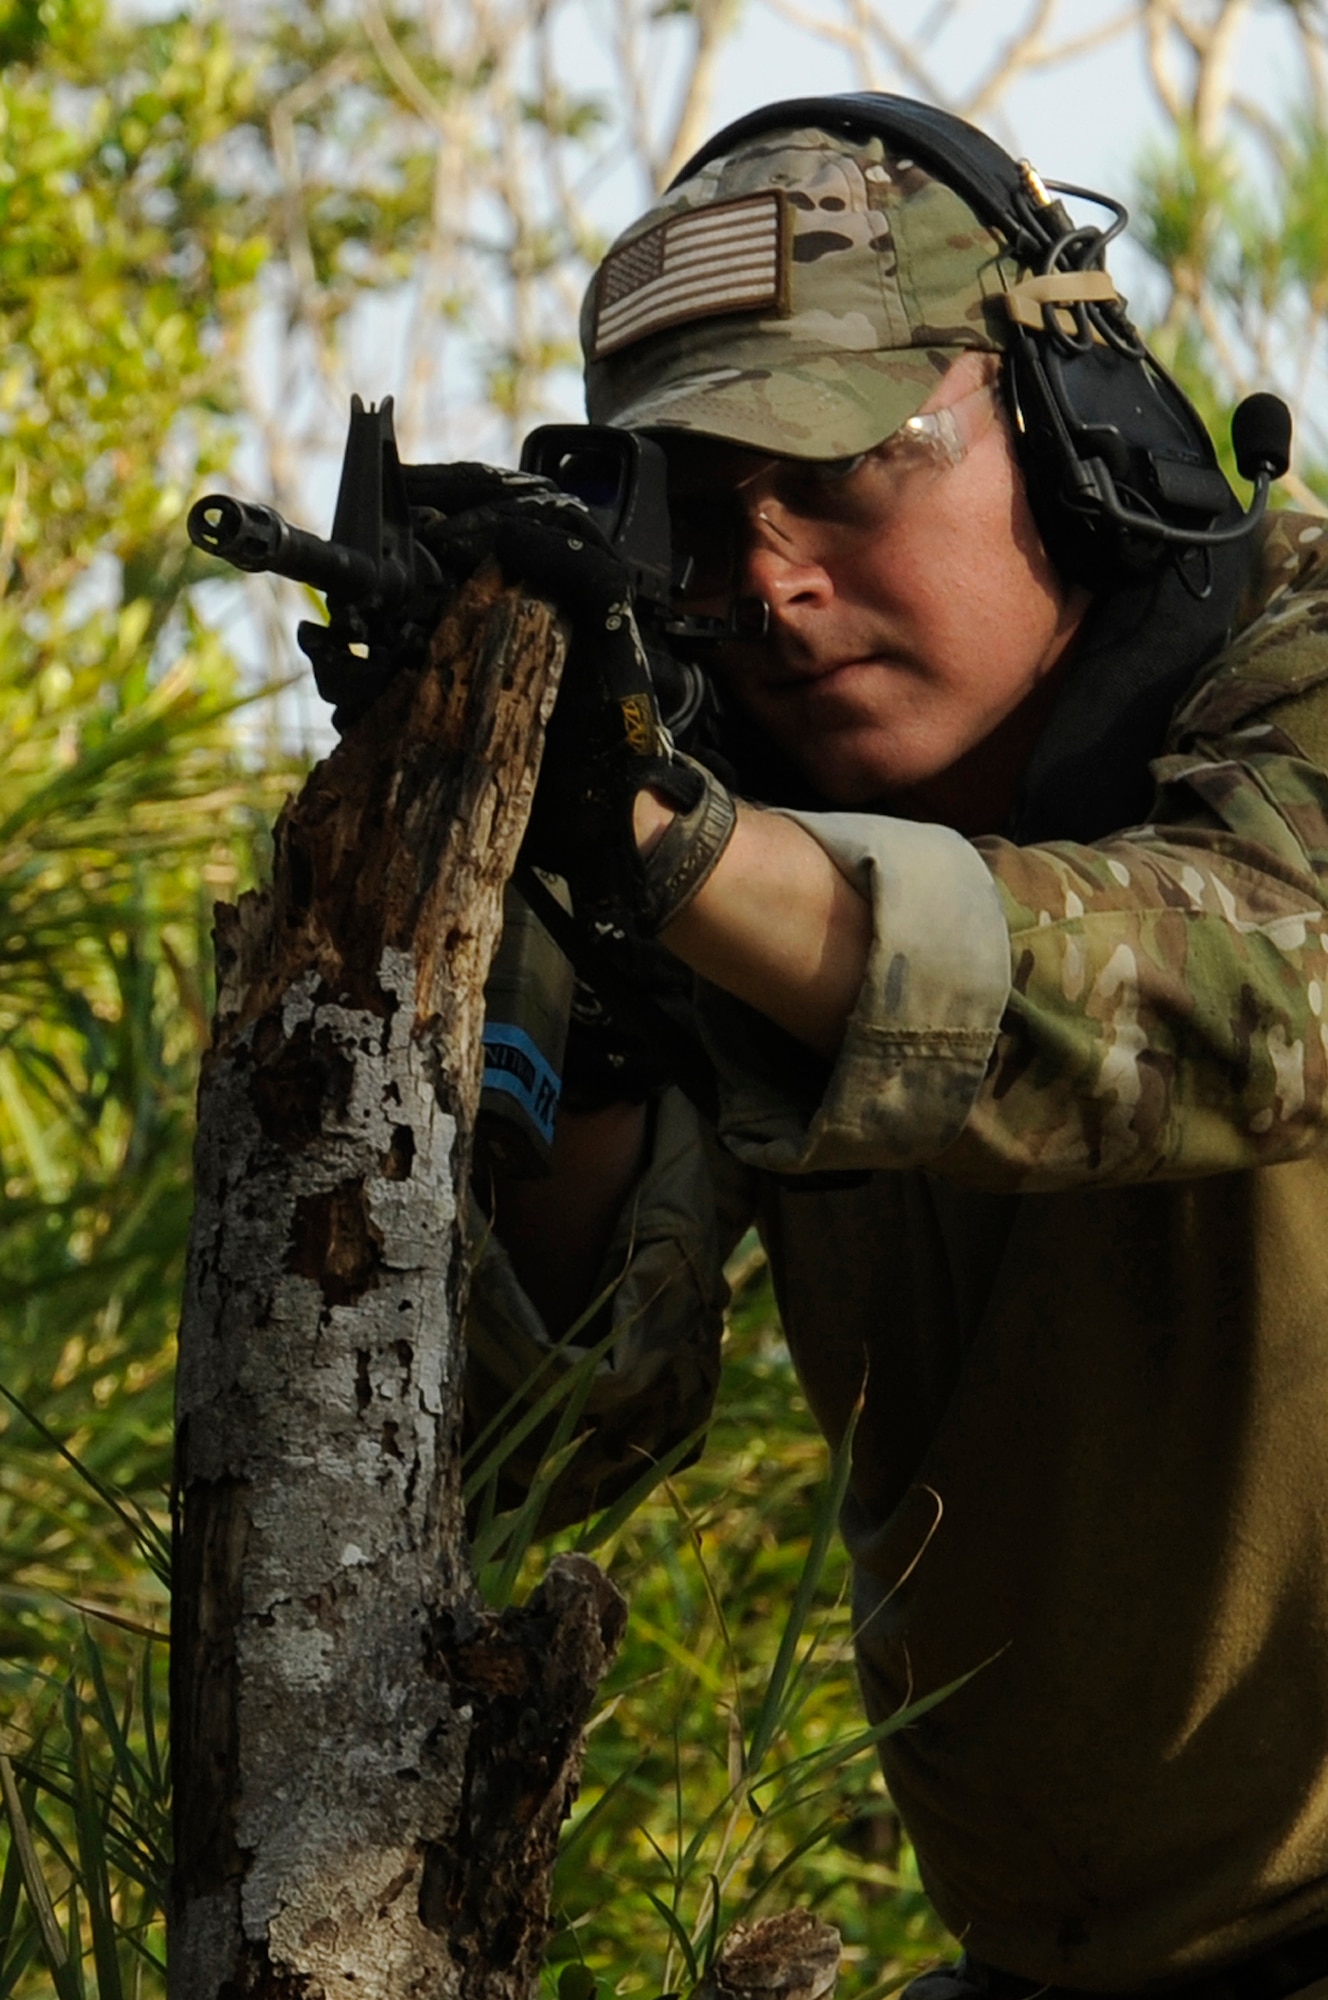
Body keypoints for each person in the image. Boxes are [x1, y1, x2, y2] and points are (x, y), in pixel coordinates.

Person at [455, 93, 1328, 1997]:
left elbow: (1252, 1001)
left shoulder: (1302, 663)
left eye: (841, 470)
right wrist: (548, 941)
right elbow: (549, 1446)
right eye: (700, 515)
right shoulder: (724, 840)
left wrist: (687, 862)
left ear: (1072, 431)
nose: (765, 582)